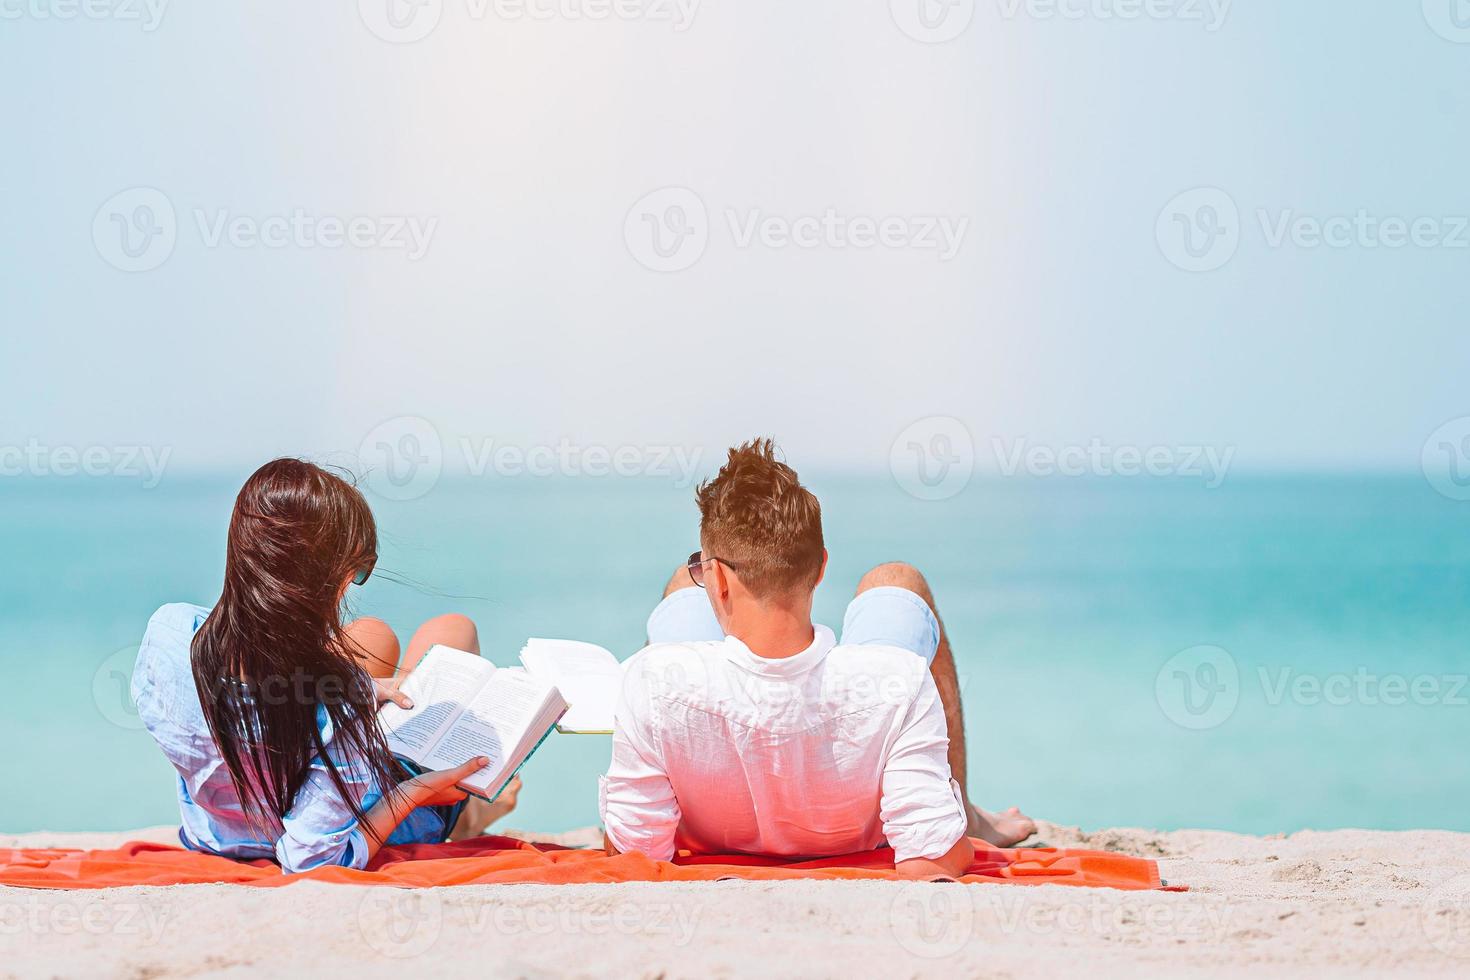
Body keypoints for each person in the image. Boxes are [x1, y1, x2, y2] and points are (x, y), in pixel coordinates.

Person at [600, 438, 1034, 877]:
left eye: (703, 569)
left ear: (717, 579)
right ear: (821, 566)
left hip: (710, 831)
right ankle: (961, 813)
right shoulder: (899, 681)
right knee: (897, 580)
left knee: (681, 590)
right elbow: (932, 862)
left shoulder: (649, 681)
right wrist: (942, 837)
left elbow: (633, 852)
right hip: (853, 827)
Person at [132, 458, 518, 873]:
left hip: (217, 833)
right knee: (453, 631)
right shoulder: (338, 697)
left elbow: (244, 705)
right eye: (358, 573)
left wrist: (359, 691)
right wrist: (412, 792)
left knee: (372, 635)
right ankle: (473, 813)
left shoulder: (170, 634)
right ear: (329, 580)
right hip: (349, 819)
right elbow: (309, 859)